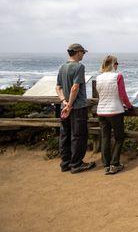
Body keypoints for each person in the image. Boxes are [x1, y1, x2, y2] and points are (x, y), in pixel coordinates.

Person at [55, 43, 96, 173]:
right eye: (83, 53)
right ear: (78, 52)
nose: (83, 55)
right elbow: (75, 87)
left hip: (64, 107)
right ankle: (76, 164)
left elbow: (58, 87)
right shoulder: (79, 67)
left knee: (65, 135)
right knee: (79, 135)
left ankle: (65, 163)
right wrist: (70, 104)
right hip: (77, 107)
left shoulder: (62, 67)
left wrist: (64, 102)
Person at [96, 55, 133, 175]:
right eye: (116, 63)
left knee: (105, 137)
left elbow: (100, 94)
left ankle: (106, 165)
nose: (117, 65)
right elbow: (123, 95)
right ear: (113, 64)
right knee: (119, 137)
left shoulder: (99, 77)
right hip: (115, 111)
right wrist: (129, 107)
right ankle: (114, 164)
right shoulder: (118, 76)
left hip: (101, 111)